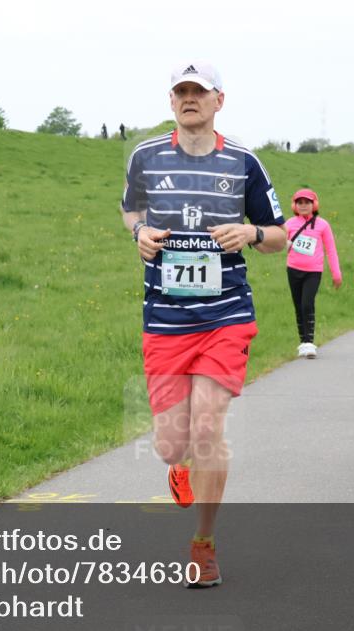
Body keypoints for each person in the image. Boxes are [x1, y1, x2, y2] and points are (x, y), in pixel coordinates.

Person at [121, 61, 287, 588]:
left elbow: (281, 235)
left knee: (210, 427)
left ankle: (204, 545)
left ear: (219, 100)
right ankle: (178, 466)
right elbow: (130, 212)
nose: (189, 98)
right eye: (181, 92)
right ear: (171, 102)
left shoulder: (244, 163)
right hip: (165, 318)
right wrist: (140, 233)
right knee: (174, 444)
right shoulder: (145, 157)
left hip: (226, 316)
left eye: (199, 91)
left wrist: (251, 234)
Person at [284, 189, 342, 358]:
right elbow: (279, 242)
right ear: (295, 205)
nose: (303, 206)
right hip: (293, 269)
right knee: (298, 306)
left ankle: (309, 342)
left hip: (313, 272)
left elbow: (331, 250)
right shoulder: (289, 223)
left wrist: (336, 274)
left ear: (314, 204)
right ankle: (303, 342)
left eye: (307, 202)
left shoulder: (323, 225)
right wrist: (284, 244)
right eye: (300, 202)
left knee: (307, 304)